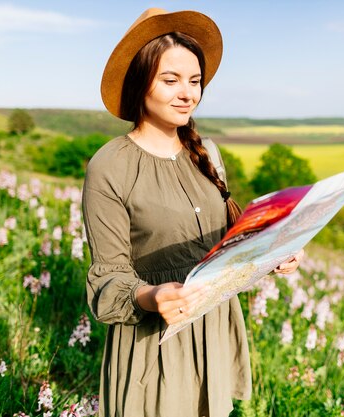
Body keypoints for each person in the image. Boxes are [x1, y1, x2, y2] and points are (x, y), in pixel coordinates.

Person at [82, 8, 303, 417]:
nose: (188, 93)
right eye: (171, 80)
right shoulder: (110, 166)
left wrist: (276, 248)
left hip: (214, 328)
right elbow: (107, 282)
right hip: (156, 344)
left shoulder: (208, 152)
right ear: (139, 82)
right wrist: (151, 296)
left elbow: (226, 244)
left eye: (195, 80)